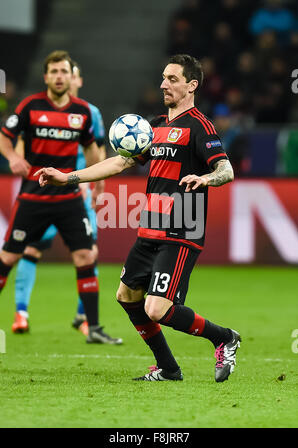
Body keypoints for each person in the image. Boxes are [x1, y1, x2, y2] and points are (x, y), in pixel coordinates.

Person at [36, 54, 241, 382]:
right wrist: (67, 177)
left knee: (156, 309)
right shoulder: (155, 126)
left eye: (172, 79)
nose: (164, 84)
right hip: (151, 229)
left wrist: (205, 179)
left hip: (181, 228)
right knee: (126, 296)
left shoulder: (199, 126)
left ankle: (224, 338)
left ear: (192, 85)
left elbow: (225, 169)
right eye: (163, 78)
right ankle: (169, 369)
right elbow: (120, 163)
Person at [0, 50, 122, 345]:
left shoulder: (81, 112)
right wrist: (11, 158)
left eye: (63, 71)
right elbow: (4, 136)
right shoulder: (30, 106)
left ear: (72, 77)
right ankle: (22, 312)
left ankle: (92, 327)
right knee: (9, 256)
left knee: (86, 255)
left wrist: (99, 180)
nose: (58, 76)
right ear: (46, 77)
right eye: (53, 71)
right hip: (33, 198)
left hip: (69, 198)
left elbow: (93, 150)